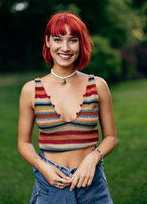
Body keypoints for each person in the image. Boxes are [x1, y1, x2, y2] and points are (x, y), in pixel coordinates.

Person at [18, 12, 117, 204]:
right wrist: (42, 166)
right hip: (50, 185)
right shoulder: (31, 90)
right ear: (47, 42)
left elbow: (111, 137)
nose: (65, 47)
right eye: (57, 39)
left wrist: (92, 158)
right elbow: (23, 143)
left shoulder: (98, 86)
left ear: (81, 43)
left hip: (92, 184)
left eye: (72, 40)